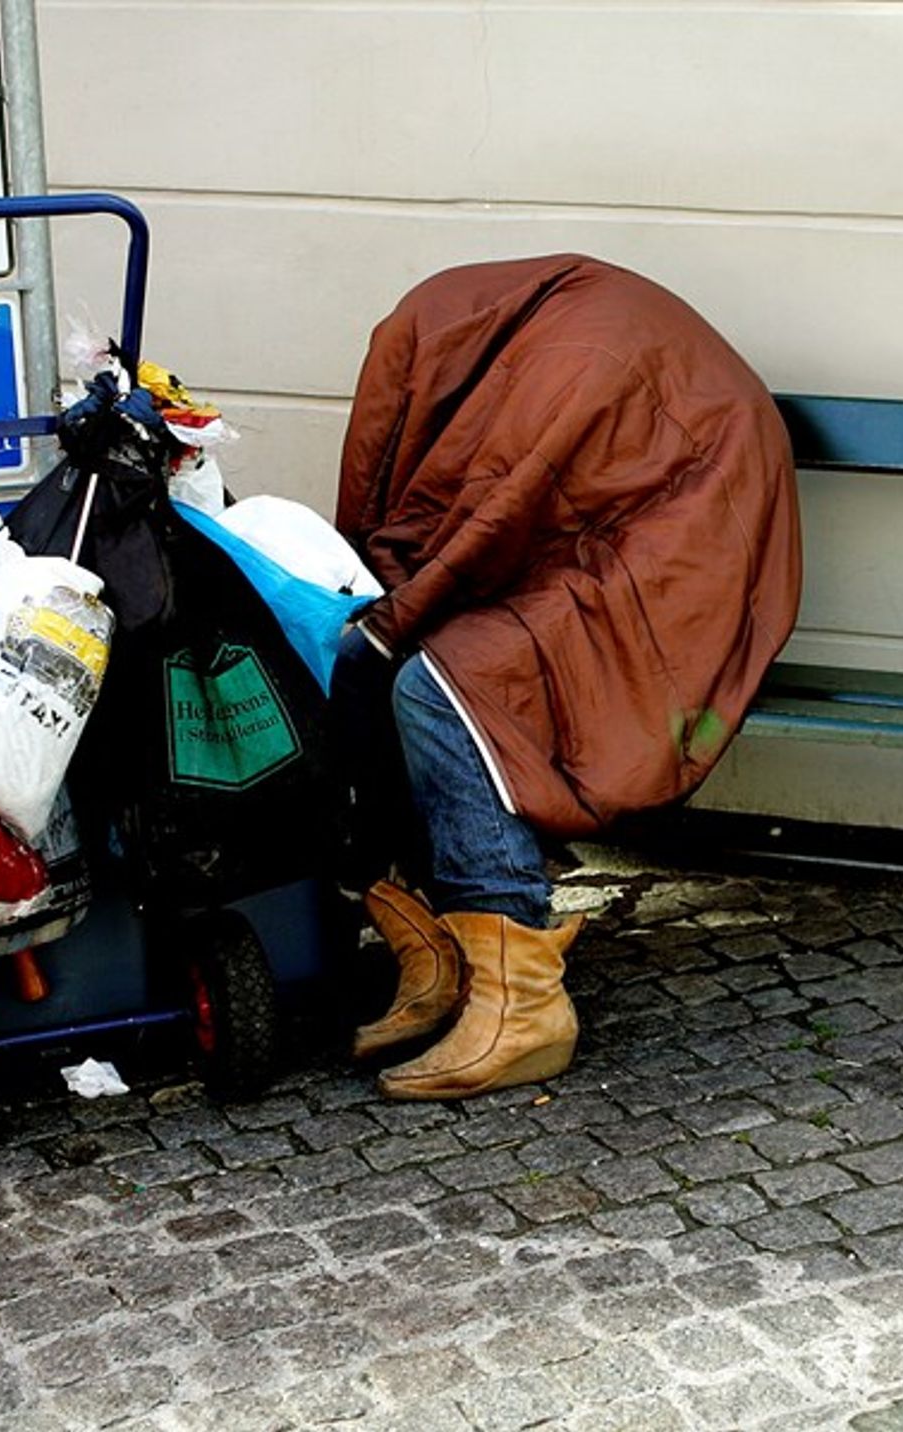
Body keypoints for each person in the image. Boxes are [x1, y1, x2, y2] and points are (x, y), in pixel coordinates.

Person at [330, 255, 802, 1101]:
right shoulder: (532, 337)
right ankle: (441, 954)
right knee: (394, 663)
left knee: (446, 685)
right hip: (628, 540)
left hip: (686, 561)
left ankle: (523, 1000)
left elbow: (492, 520)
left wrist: (388, 621)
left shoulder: (563, 360)